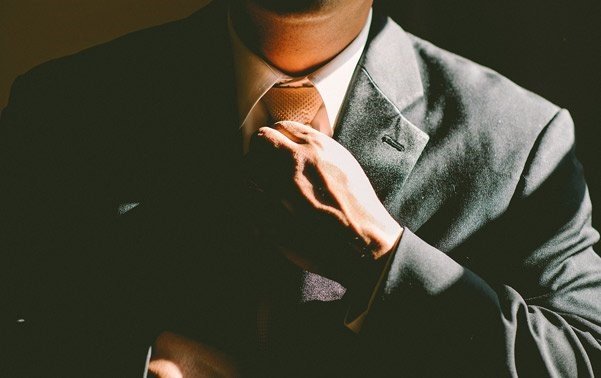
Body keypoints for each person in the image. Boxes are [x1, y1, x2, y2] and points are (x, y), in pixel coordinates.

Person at [2, 0, 600, 376]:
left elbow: (584, 357)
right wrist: (126, 364)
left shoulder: (520, 138)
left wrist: (383, 256)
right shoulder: (64, 108)